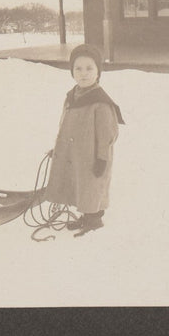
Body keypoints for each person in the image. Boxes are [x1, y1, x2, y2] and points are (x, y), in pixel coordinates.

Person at [45, 44, 124, 237]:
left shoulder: (100, 102)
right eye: (78, 68)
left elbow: (108, 135)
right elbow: (65, 126)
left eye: (90, 68)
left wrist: (102, 158)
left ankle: (94, 220)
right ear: (72, 71)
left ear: (98, 72)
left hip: (92, 156)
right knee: (80, 185)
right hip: (74, 153)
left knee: (92, 187)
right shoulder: (72, 97)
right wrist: (58, 149)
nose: (84, 74)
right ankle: (87, 216)